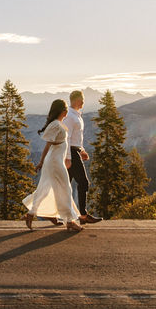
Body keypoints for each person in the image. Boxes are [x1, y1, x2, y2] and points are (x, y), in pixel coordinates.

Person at [22, 99, 84, 232]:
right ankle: (70, 221)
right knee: (65, 189)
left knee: (45, 189)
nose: (68, 111)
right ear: (62, 111)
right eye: (66, 109)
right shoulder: (56, 125)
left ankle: (30, 214)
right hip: (55, 162)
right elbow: (48, 145)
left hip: (56, 161)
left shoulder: (58, 123)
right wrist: (41, 162)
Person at [64, 89, 101, 223]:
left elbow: (76, 137)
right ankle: (83, 215)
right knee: (83, 182)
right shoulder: (70, 116)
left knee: (65, 185)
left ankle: (60, 214)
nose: (84, 102)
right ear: (77, 100)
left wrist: (82, 150)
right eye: (82, 100)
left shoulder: (76, 115)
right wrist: (68, 157)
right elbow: (66, 138)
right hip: (71, 154)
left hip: (75, 151)